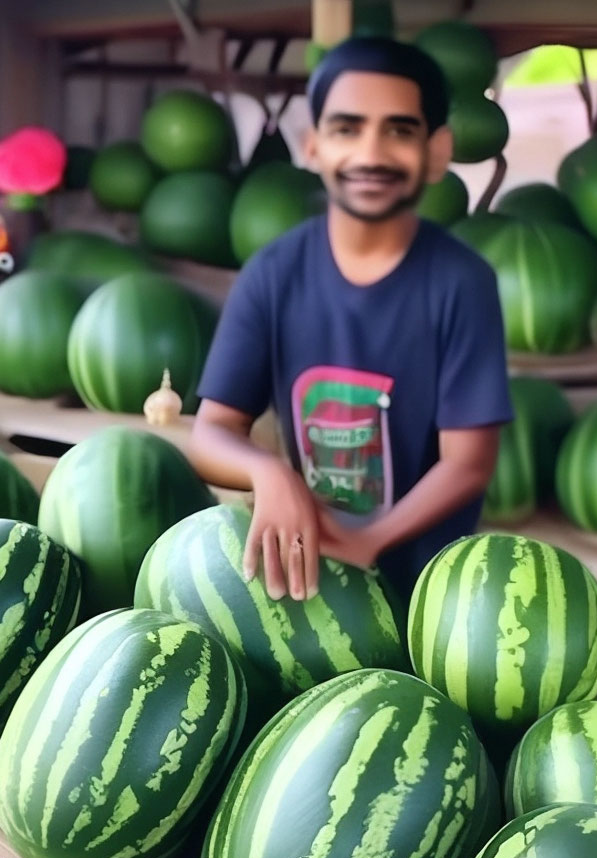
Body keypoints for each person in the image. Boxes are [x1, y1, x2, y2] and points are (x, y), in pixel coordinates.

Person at [189, 35, 513, 606]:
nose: (371, 152)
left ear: (438, 151)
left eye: (399, 130)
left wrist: (373, 541)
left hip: (434, 593)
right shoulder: (272, 273)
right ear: (313, 146)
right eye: (347, 128)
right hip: (314, 576)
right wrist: (271, 475)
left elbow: (469, 463)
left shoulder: (463, 281)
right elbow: (211, 431)